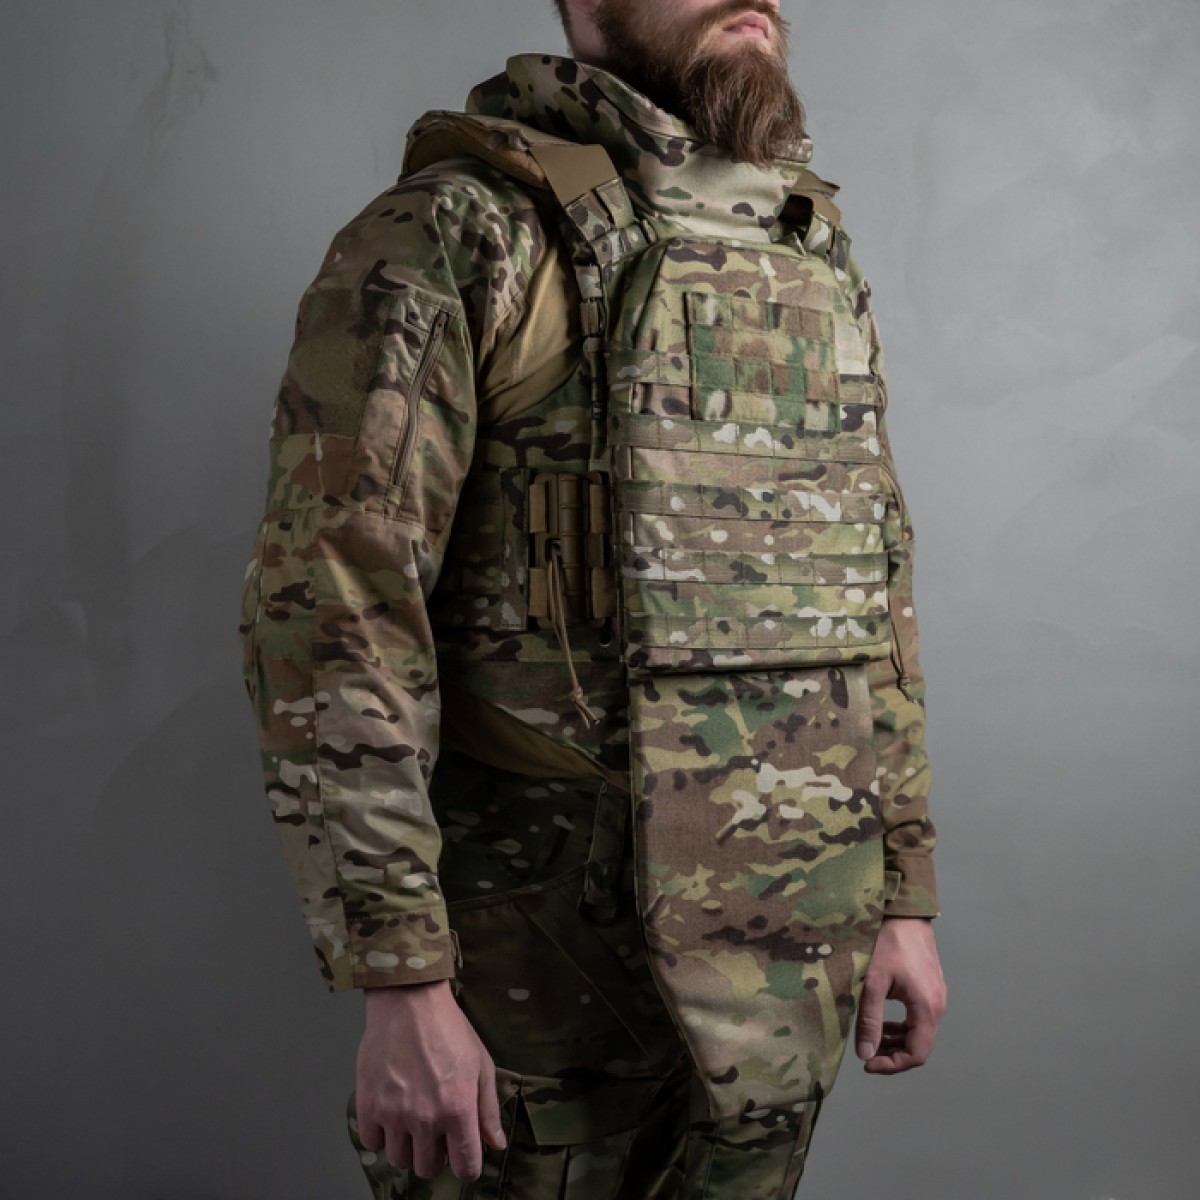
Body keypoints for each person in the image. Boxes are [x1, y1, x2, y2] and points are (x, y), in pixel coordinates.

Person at [238, 1, 947, 1196]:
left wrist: (901, 895)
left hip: (791, 955)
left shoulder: (805, 249)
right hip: (539, 978)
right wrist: (403, 978)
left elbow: (875, 592)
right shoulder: (459, 233)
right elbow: (333, 612)